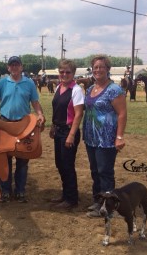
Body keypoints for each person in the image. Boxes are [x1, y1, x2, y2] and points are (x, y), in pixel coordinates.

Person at [0, 56, 45, 203]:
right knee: (4, 159)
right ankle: (5, 191)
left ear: (21, 67)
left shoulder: (29, 83)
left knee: (23, 160)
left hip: (24, 125)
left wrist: (40, 114)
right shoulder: (2, 83)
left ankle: (20, 191)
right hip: (4, 124)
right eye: (12, 65)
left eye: (17, 65)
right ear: (8, 68)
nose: (15, 67)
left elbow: (35, 102)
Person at [83, 55, 127, 217]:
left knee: (105, 171)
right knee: (95, 170)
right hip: (91, 137)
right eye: (95, 67)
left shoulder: (114, 90)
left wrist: (120, 136)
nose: (98, 70)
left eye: (101, 67)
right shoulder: (90, 88)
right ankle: (98, 201)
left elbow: (122, 114)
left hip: (107, 139)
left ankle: (109, 206)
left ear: (108, 69)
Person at [49, 59, 84, 211]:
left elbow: (78, 114)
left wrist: (71, 135)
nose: (64, 74)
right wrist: (52, 126)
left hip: (68, 131)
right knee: (60, 164)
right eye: (62, 71)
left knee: (67, 165)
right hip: (58, 130)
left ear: (73, 73)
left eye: (68, 72)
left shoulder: (76, 90)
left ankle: (72, 199)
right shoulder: (58, 87)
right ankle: (65, 194)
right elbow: (56, 109)